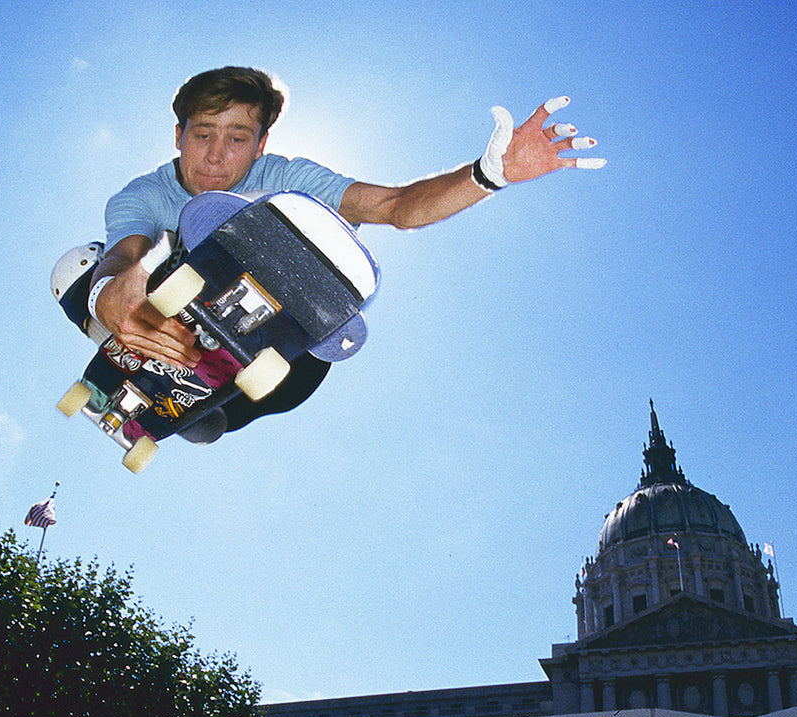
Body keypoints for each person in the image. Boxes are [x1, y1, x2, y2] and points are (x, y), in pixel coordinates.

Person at [74, 67, 604, 439]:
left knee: (275, 229)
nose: (216, 155)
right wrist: (110, 291)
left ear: (260, 144)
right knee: (77, 266)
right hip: (160, 305)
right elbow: (123, 252)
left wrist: (489, 175)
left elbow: (394, 205)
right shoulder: (144, 194)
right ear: (178, 135)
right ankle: (137, 339)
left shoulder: (285, 178)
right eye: (203, 134)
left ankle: (219, 412)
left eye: (238, 138)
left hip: (272, 342)